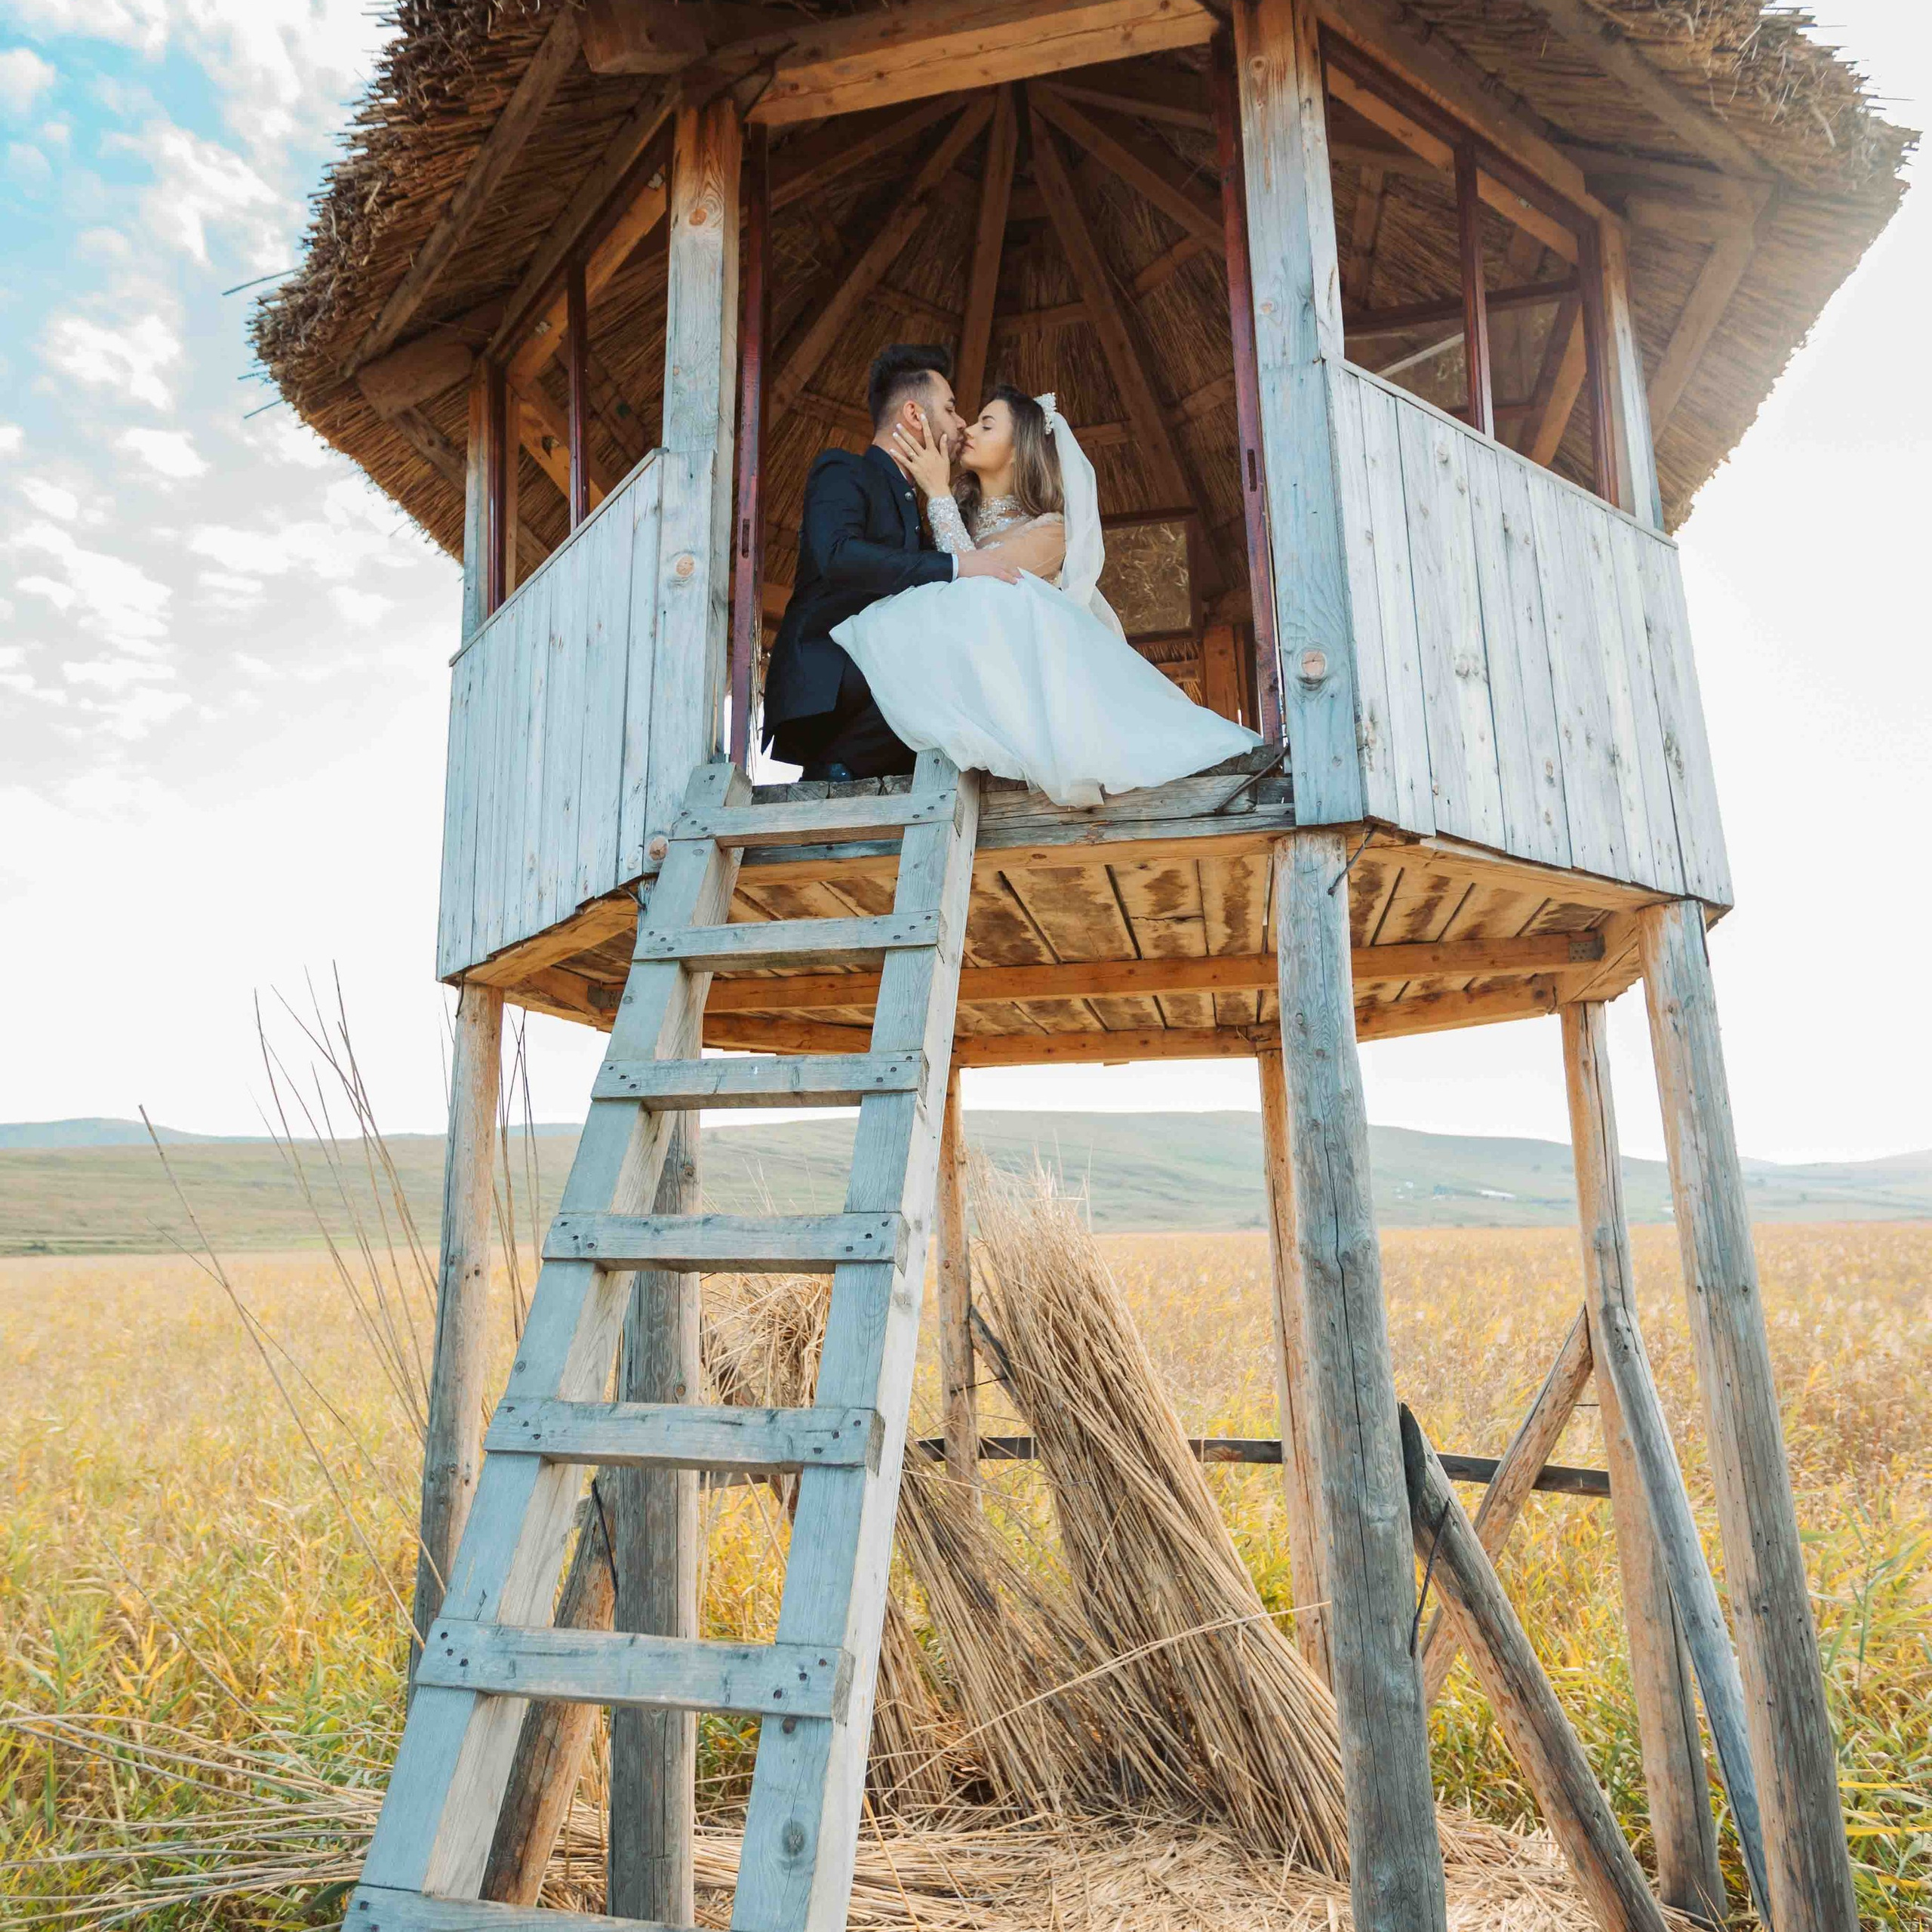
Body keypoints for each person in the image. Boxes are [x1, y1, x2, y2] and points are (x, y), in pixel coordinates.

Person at [832, 385, 1260, 808]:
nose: (971, 432)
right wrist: (943, 501)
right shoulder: (950, 517)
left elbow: (979, 586)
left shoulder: (1051, 530)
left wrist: (939, 494)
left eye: (986, 424)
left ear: (1019, 448)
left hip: (1015, 685)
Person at [762, 344, 1021, 780]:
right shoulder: (842, 470)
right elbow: (837, 555)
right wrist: (955, 566)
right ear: (915, 414)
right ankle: (833, 769)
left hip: (878, 690)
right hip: (830, 675)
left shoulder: (912, 512)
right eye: (952, 408)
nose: (961, 423)